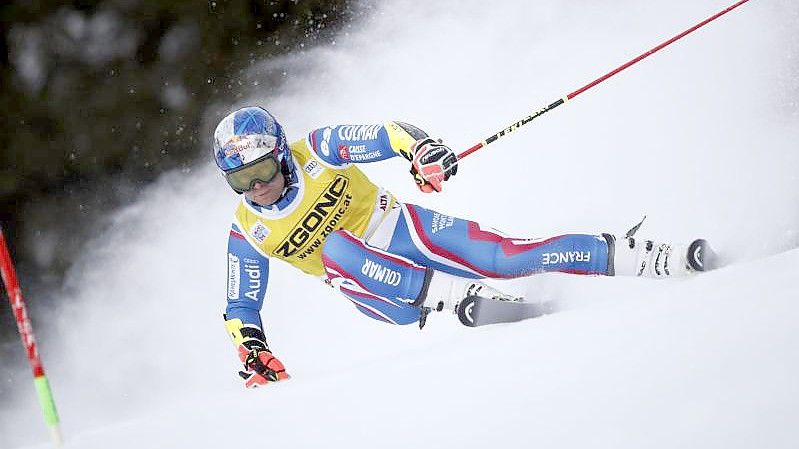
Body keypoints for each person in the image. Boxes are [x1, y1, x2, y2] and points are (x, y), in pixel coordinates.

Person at [214, 106, 713, 388]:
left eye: (260, 171)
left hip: (404, 226)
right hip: (384, 294)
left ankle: (645, 256)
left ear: (280, 153)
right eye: (239, 181)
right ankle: (457, 298)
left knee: (510, 256)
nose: (255, 187)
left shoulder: (317, 149)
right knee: (336, 249)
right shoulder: (248, 230)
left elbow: (388, 134)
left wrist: (422, 152)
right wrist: (252, 349)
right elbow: (241, 304)